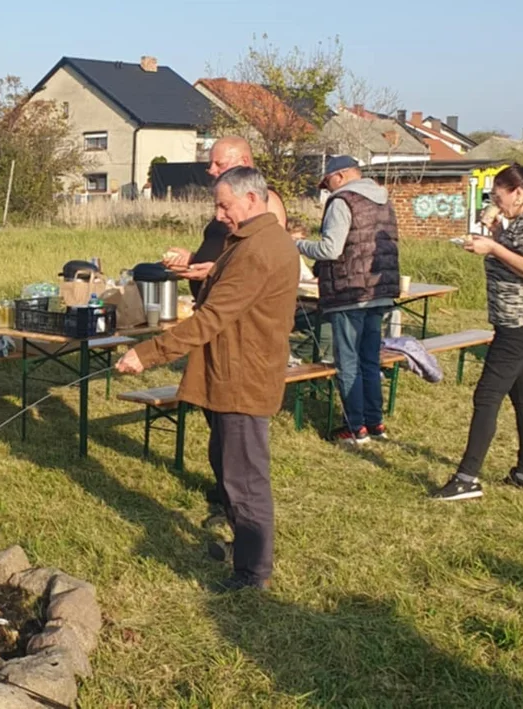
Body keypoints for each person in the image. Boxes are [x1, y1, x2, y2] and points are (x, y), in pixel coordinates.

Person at [117, 167, 300, 592]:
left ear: (252, 200)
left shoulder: (258, 249)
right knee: (230, 467)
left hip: (243, 378)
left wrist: (147, 354)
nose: (219, 215)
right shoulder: (254, 241)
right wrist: (209, 273)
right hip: (235, 372)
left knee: (244, 478)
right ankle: (246, 550)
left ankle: (253, 572)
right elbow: (232, 297)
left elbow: (213, 318)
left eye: (225, 205)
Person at [431, 165, 523, 501]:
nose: (494, 201)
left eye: (497, 195)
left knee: (487, 396)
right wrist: (498, 234)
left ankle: (466, 479)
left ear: (519, 193)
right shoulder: (520, 223)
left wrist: (493, 247)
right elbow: (516, 255)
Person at [293, 155, 400, 445]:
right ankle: (374, 422)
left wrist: (295, 244)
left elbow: (330, 249)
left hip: (348, 291)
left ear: (339, 176)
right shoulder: (383, 200)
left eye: (327, 183)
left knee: (348, 361)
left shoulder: (342, 201)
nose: (326, 190)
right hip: (379, 291)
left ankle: (354, 427)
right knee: (369, 359)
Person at [162, 137, 290, 297]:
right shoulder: (232, 204)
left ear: (244, 162)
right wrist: (193, 260)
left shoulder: (265, 200)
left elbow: (269, 260)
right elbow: (226, 253)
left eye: (219, 164)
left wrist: (216, 271)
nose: (211, 170)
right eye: (210, 164)